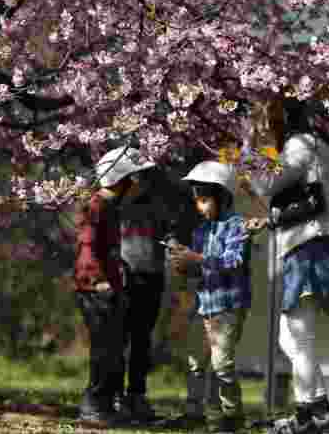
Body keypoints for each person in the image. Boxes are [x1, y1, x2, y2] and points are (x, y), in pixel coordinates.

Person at [247, 98, 329, 434]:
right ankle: (320, 412)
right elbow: (304, 197)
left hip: (311, 247)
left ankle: (306, 418)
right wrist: (271, 220)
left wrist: (248, 152)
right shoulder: (317, 145)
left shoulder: (300, 145)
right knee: (290, 338)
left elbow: (266, 185)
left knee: (299, 334)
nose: (266, 128)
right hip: (314, 244)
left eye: (269, 121)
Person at [168, 161, 252, 434]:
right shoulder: (200, 231)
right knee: (195, 361)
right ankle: (193, 413)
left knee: (222, 364)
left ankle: (232, 416)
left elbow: (234, 260)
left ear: (222, 196)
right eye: (197, 201)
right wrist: (182, 263)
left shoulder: (237, 226)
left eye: (204, 200)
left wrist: (198, 258)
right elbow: (198, 268)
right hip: (204, 304)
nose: (200, 207)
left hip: (228, 306)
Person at [75, 146, 155, 424]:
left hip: (111, 288)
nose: (137, 184)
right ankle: (93, 405)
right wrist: (97, 280)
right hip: (96, 290)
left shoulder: (110, 207)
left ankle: (107, 405)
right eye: (133, 178)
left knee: (113, 350)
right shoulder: (96, 206)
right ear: (121, 180)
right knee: (104, 351)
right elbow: (88, 247)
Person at [116, 166, 176, 422]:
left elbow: (169, 234)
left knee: (142, 340)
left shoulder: (159, 205)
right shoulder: (117, 206)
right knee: (119, 338)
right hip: (123, 278)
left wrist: (173, 245)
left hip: (151, 276)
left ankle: (137, 395)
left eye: (144, 178)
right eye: (136, 177)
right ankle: (115, 394)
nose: (140, 182)